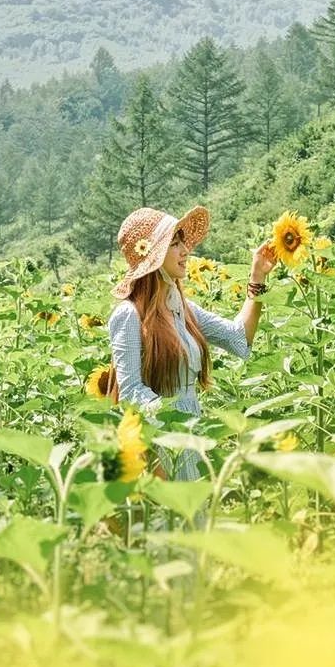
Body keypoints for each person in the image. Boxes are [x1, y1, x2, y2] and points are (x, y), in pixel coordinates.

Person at [107, 205, 277, 481]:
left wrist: (257, 278)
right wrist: (173, 425)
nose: (186, 251)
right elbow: (130, 392)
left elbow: (238, 338)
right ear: (153, 255)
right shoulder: (129, 315)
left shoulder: (184, 309)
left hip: (191, 435)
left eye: (183, 242)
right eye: (175, 244)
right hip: (159, 442)